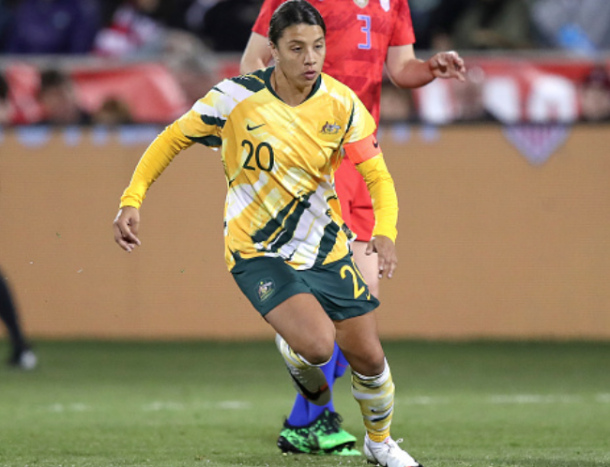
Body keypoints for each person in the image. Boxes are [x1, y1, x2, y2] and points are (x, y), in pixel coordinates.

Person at [113, 1, 423, 465]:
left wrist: (387, 232)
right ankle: (300, 351)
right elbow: (172, 137)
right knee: (318, 346)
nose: (310, 58)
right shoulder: (235, 98)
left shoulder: (342, 103)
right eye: (296, 48)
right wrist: (132, 199)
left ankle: (379, 445)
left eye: (317, 47)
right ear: (273, 51)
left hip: (325, 250)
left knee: (371, 361)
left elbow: (377, 176)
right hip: (256, 251)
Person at [241, 0, 465, 455]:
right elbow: (252, 61)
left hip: (362, 157)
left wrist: (431, 68)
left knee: (362, 305)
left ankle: (309, 419)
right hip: (315, 161)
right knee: (340, 308)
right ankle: (310, 420)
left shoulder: (393, 3)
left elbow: (401, 69)